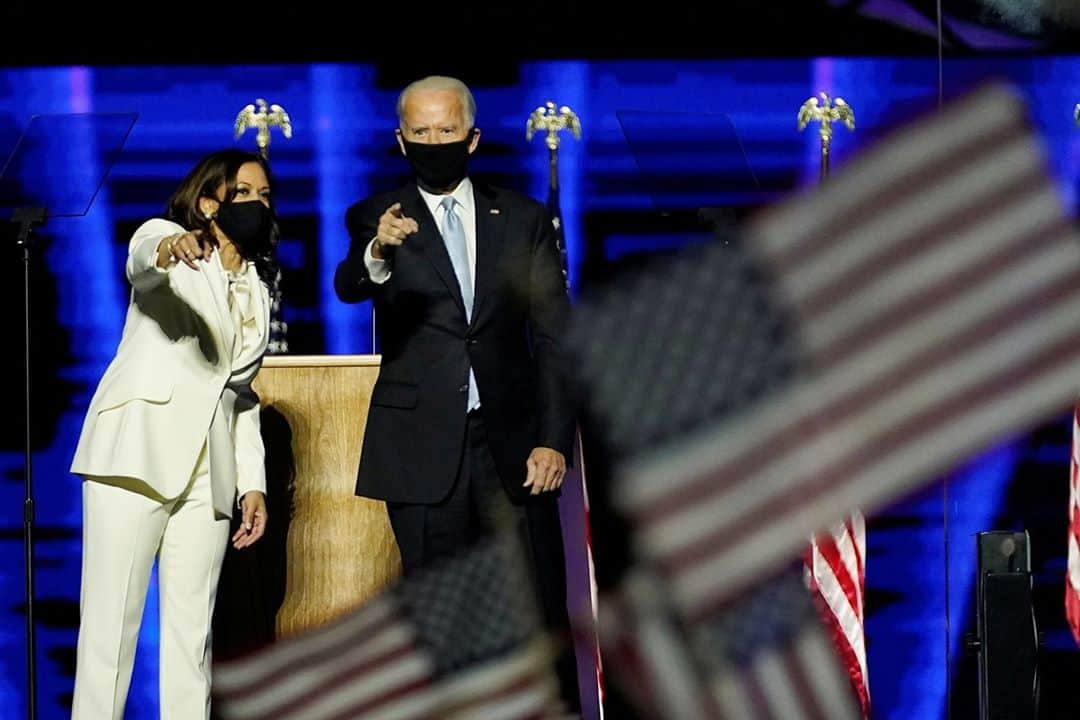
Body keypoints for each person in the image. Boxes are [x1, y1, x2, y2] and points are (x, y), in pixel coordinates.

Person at [334, 75, 582, 714]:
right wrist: (378, 251)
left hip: (511, 450)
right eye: (420, 131)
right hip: (421, 449)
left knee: (533, 613)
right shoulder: (378, 216)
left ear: (472, 139)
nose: (432, 141)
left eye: (445, 130)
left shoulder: (523, 218)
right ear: (400, 138)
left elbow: (556, 338)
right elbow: (349, 284)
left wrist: (552, 441)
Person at [69, 148, 278, 719]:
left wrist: (251, 483)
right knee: (111, 631)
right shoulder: (173, 242)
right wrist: (167, 250)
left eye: (264, 196)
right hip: (135, 456)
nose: (256, 205)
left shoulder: (256, 289)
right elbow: (142, 258)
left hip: (208, 473)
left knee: (193, 640)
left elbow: (240, 395)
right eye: (243, 194)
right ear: (209, 202)